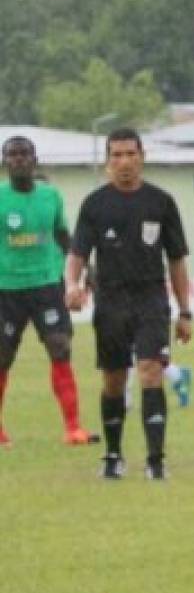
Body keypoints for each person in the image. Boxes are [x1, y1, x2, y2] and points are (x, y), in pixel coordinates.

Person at [65, 128, 194, 481]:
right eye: (116, 155)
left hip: (151, 299)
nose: (123, 162)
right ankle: (113, 455)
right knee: (114, 381)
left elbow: (177, 260)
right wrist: (72, 285)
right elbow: (77, 254)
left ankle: (155, 460)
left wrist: (185, 312)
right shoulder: (95, 205)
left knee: (151, 371)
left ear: (142, 157)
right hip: (111, 301)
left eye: (129, 154)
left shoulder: (161, 202)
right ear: (108, 162)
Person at [0, 136, 95, 447]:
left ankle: (73, 429)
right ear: (4, 162)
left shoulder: (51, 196)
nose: (18, 159)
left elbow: (63, 236)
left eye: (24, 153)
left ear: (34, 159)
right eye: (12, 155)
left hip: (47, 285)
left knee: (60, 347)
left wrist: (86, 270)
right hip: (7, 288)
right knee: (2, 357)